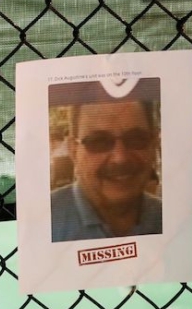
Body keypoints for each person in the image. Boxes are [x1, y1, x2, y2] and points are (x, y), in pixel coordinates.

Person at [50, 84, 162, 242]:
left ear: (154, 144)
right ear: (73, 150)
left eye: (136, 139)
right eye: (99, 141)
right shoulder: (44, 221)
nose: (120, 158)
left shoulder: (169, 217)